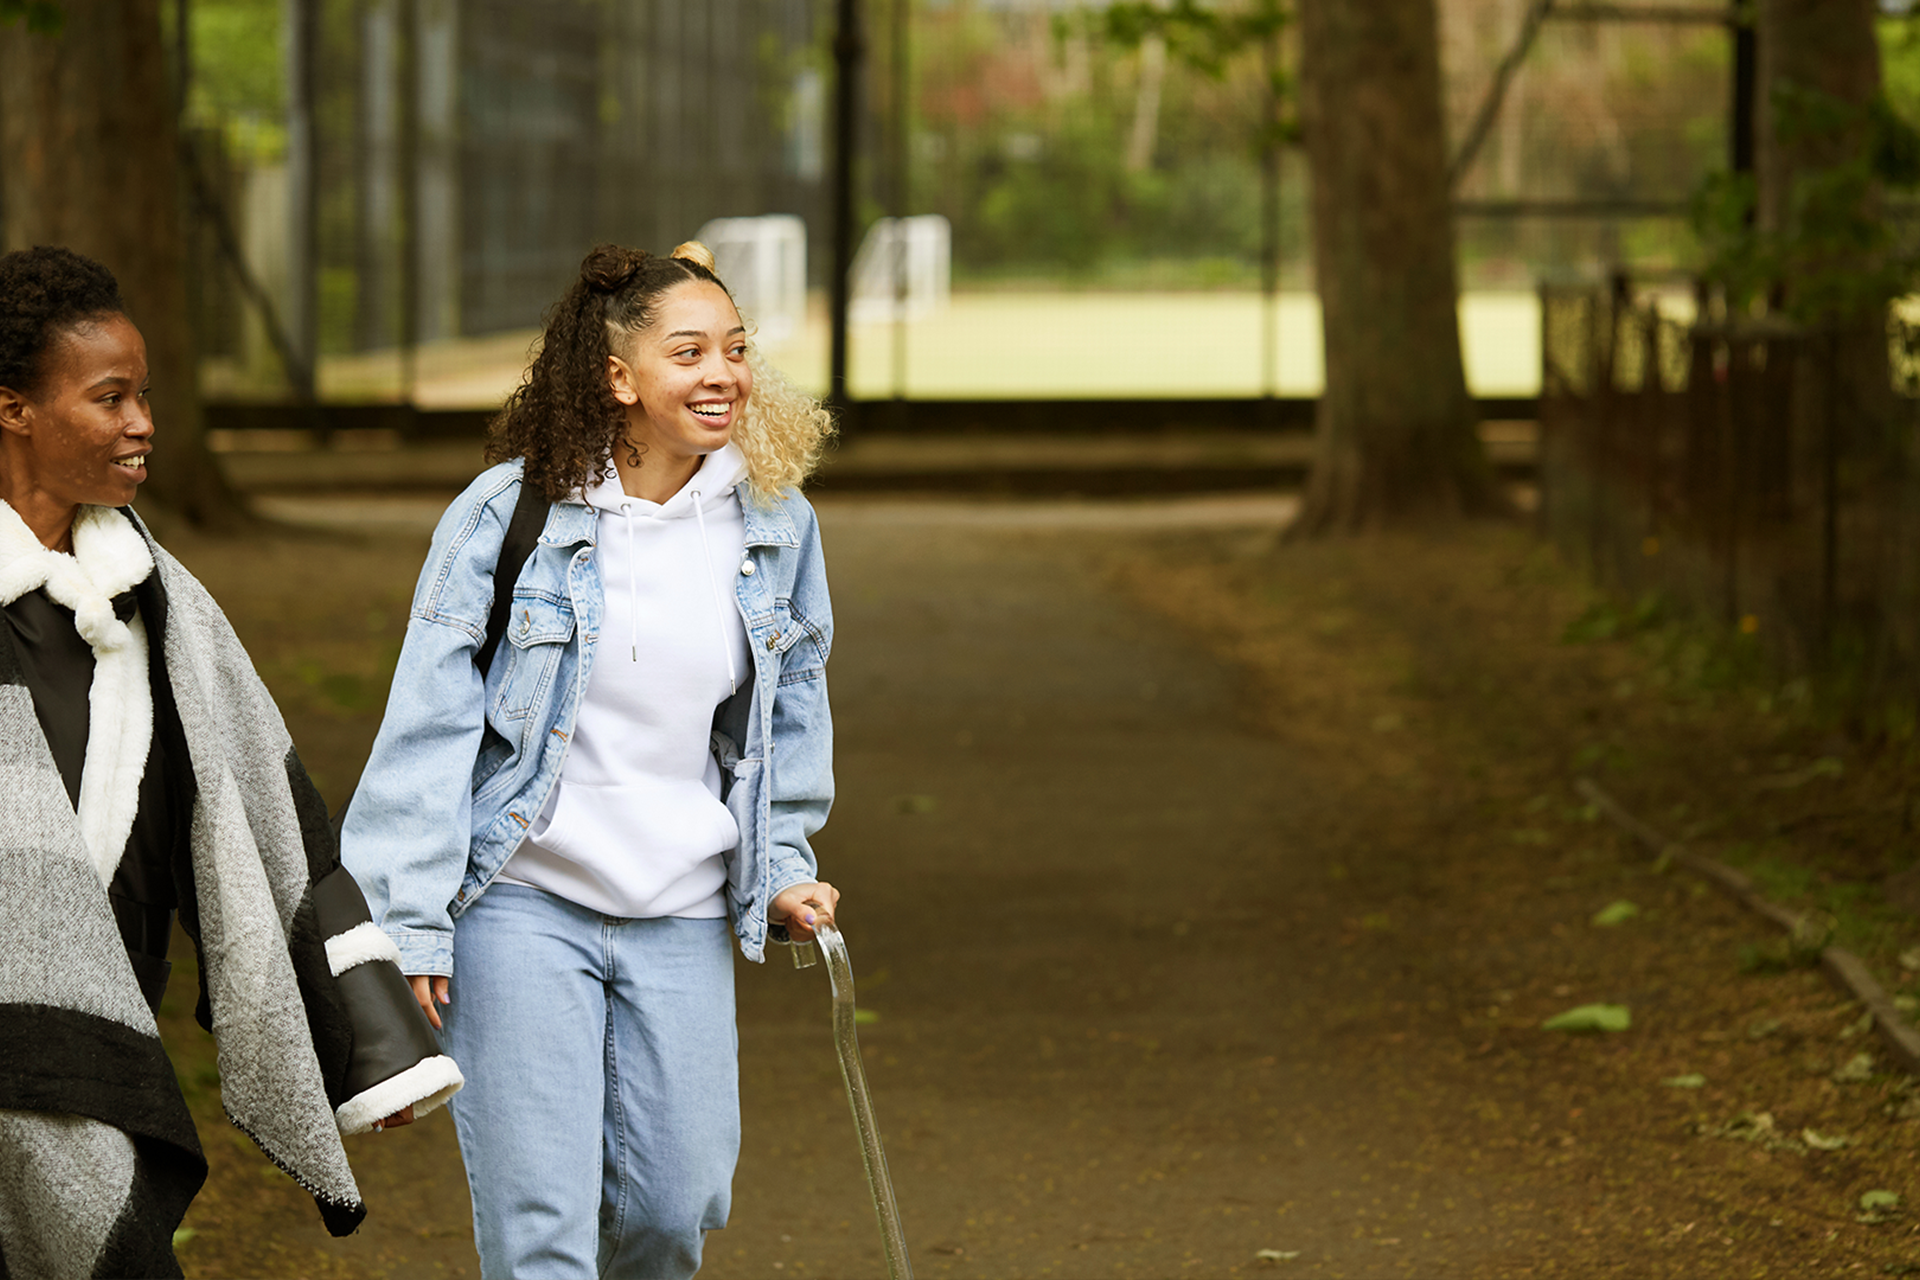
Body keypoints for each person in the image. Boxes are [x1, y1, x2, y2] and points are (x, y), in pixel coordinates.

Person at [341, 241, 840, 1279]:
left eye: (736, 350)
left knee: (671, 1207)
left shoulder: (775, 523)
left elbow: (789, 707)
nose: (722, 374)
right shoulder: (506, 515)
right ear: (620, 376)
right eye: (689, 350)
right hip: (523, 900)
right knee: (542, 1231)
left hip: (683, 907)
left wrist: (784, 859)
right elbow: (428, 726)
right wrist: (411, 918)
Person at [0, 245, 462, 1279]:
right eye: (110, 397)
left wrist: (372, 1043)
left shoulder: (165, 611)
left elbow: (274, 821)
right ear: (13, 407)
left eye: (145, 396)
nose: (143, 423)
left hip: (99, 1056)